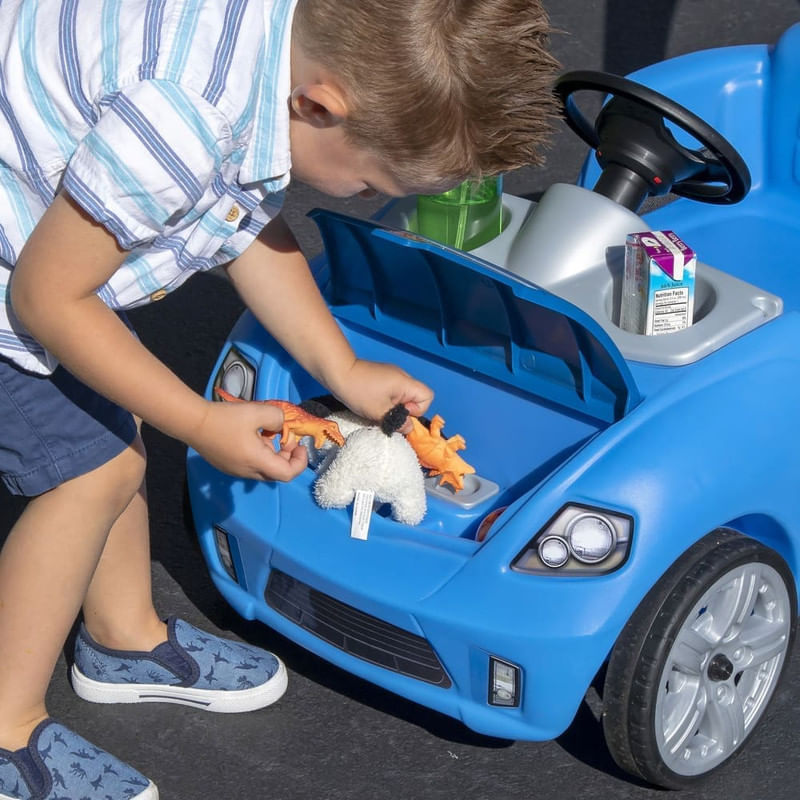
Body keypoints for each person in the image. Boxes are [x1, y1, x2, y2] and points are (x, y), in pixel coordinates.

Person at [0, 0, 559, 796]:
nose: (364, 194)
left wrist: (343, 369)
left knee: (113, 433)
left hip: (37, 249)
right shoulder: (183, 125)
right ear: (320, 105)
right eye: (370, 181)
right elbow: (48, 301)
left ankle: (121, 642)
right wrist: (199, 422)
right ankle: (8, 731)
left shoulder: (264, 53)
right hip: (21, 282)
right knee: (87, 474)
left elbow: (243, 223)